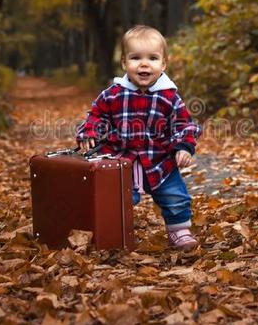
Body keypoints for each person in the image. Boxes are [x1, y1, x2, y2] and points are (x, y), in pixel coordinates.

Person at [76, 25, 201, 250]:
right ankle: (110, 234)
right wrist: (89, 132)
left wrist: (184, 146)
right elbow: (96, 115)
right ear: (124, 63)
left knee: (175, 197)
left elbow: (184, 124)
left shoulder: (169, 97)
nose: (144, 64)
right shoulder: (113, 94)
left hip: (159, 161)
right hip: (120, 160)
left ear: (163, 64)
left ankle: (179, 232)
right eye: (136, 58)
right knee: (116, 200)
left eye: (152, 58)